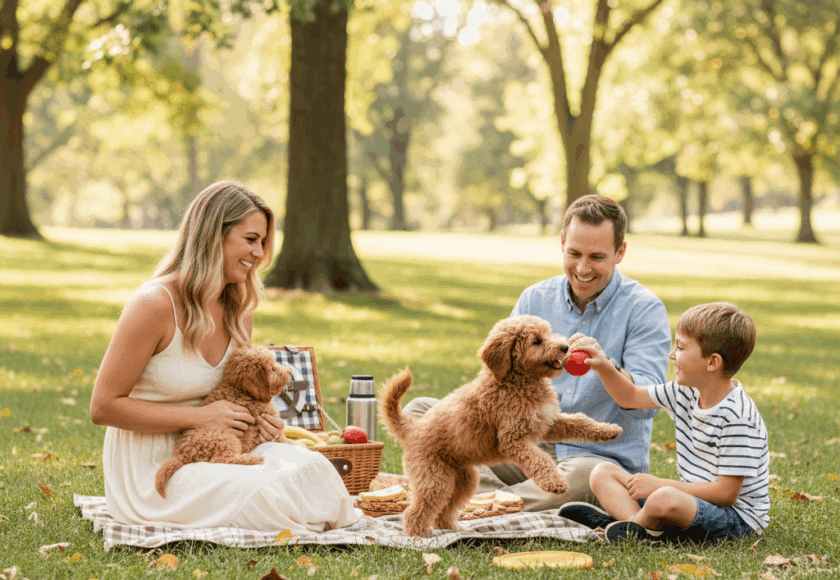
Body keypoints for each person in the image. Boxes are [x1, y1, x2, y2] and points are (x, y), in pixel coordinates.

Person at [89, 180, 360, 532]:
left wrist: (266, 426)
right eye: (250, 240)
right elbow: (103, 407)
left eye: (263, 242)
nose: (260, 254)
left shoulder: (239, 309)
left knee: (314, 469)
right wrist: (199, 418)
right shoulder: (154, 304)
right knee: (264, 492)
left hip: (225, 445)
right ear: (212, 235)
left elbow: (243, 396)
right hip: (154, 463)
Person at [404, 194, 672, 511]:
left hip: (595, 460)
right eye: (574, 253)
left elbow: (649, 405)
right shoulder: (535, 298)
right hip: (519, 445)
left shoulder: (644, 309)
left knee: (585, 477)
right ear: (561, 243)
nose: (583, 268)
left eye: (597, 257)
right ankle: (508, 500)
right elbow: (497, 376)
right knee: (420, 412)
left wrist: (607, 368)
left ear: (620, 252)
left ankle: (483, 502)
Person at [561, 302, 768, 543]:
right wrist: (604, 365)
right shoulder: (685, 391)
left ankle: (627, 530)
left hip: (735, 520)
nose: (672, 355)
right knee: (602, 473)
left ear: (712, 362)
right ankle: (641, 529)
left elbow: (726, 494)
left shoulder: (738, 417)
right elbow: (629, 397)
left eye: (680, 347)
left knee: (663, 497)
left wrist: (659, 485)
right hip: (692, 503)